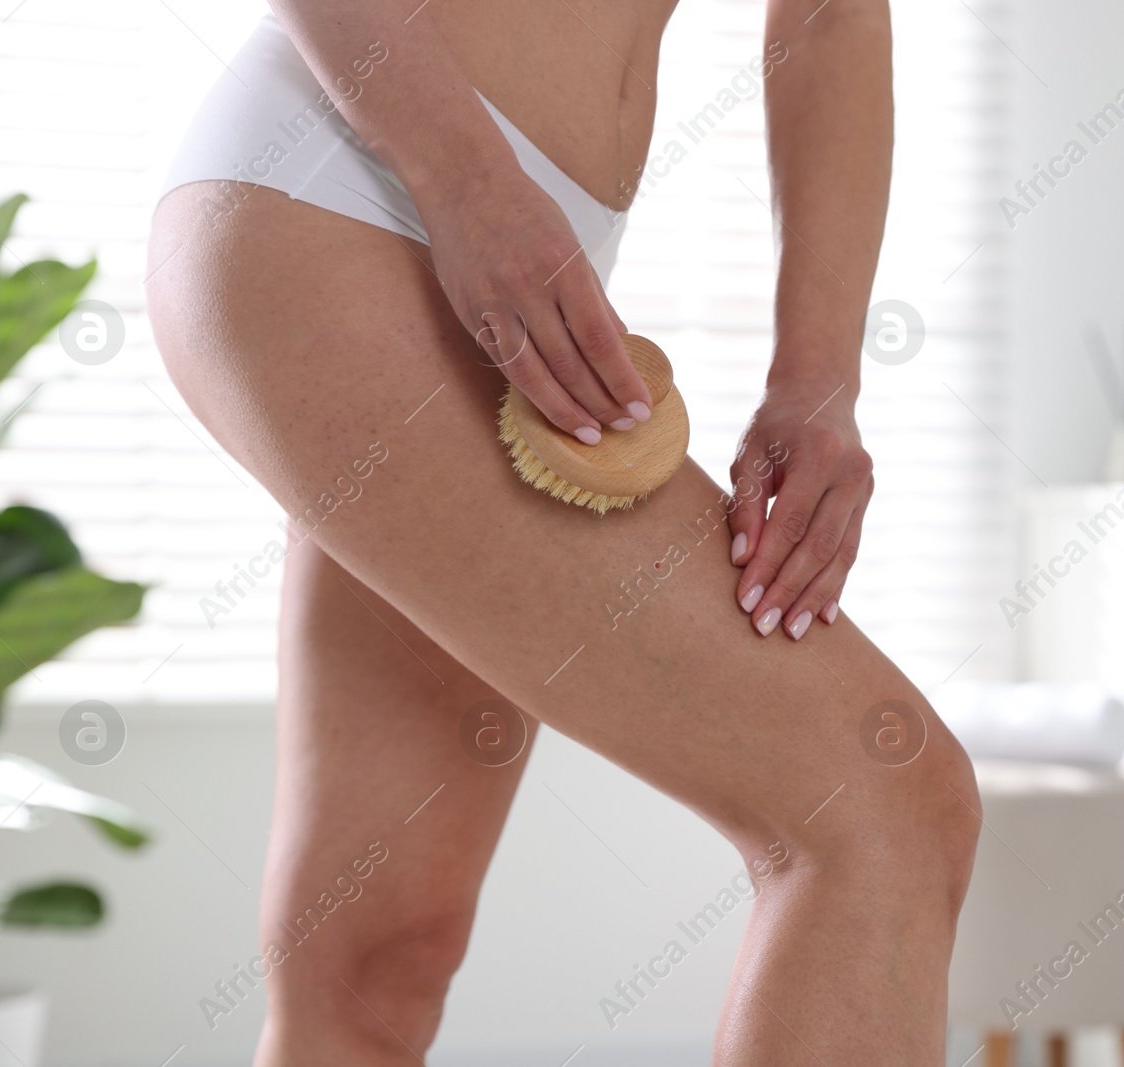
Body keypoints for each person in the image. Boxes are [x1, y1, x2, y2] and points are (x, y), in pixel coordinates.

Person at [146, 0, 980, 1062]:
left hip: (525, 243)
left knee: (376, 961)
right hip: (342, 171)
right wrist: (464, 181)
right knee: (878, 805)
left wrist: (817, 380)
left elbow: (829, 21)